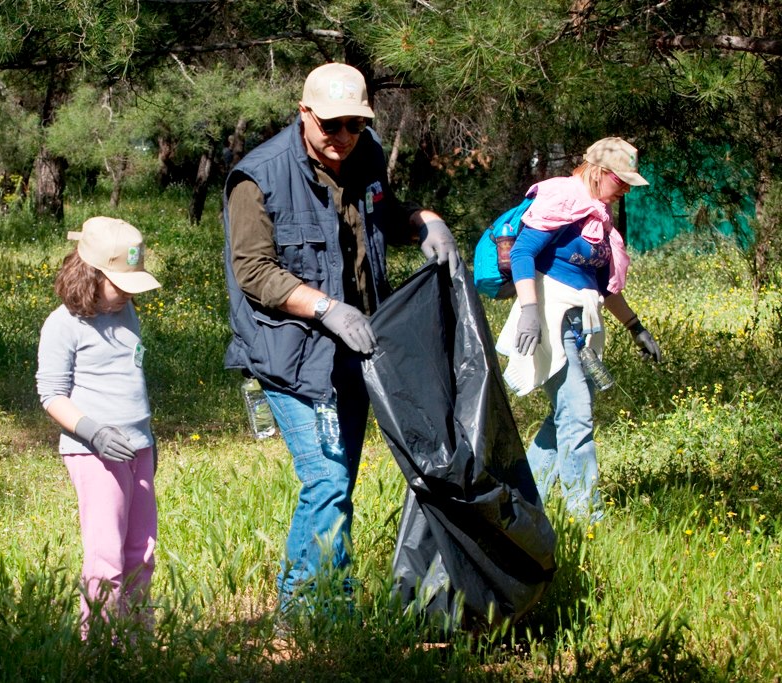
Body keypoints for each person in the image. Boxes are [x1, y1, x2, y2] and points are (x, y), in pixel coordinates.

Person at [222, 62, 460, 617]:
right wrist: (325, 308)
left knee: (338, 484)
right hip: (289, 356)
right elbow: (253, 272)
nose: (344, 137)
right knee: (325, 480)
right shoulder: (257, 177)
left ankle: (328, 608)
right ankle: (308, 613)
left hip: (355, 351)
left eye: (356, 124)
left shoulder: (366, 155)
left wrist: (424, 222)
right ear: (304, 113)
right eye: (331, 125)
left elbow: (381, 216)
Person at [496, 137, 663, 523]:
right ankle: (587, 517)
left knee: (566, 416)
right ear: (600, 172)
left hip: (583, 327)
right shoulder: (563, 199)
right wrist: (530, 311)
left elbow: (604, 287)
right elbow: (522, 252)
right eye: (621, 181)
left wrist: (636, 328)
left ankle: (521, 501)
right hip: (550, 321)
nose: (624, 191)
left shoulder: (599, 217)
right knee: (578, 416)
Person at [36, 216, 161, 635]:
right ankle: (102, 646)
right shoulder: (63, 324)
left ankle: (136, 639)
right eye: (120, 284)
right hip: (94, 451)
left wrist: (147, 438)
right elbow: (51, 394)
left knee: (142, 549)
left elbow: (130, 378)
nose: (128, 293)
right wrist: (94, 432)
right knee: (107, 553)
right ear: (90, 275)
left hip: (138, 447)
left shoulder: (126, 313)